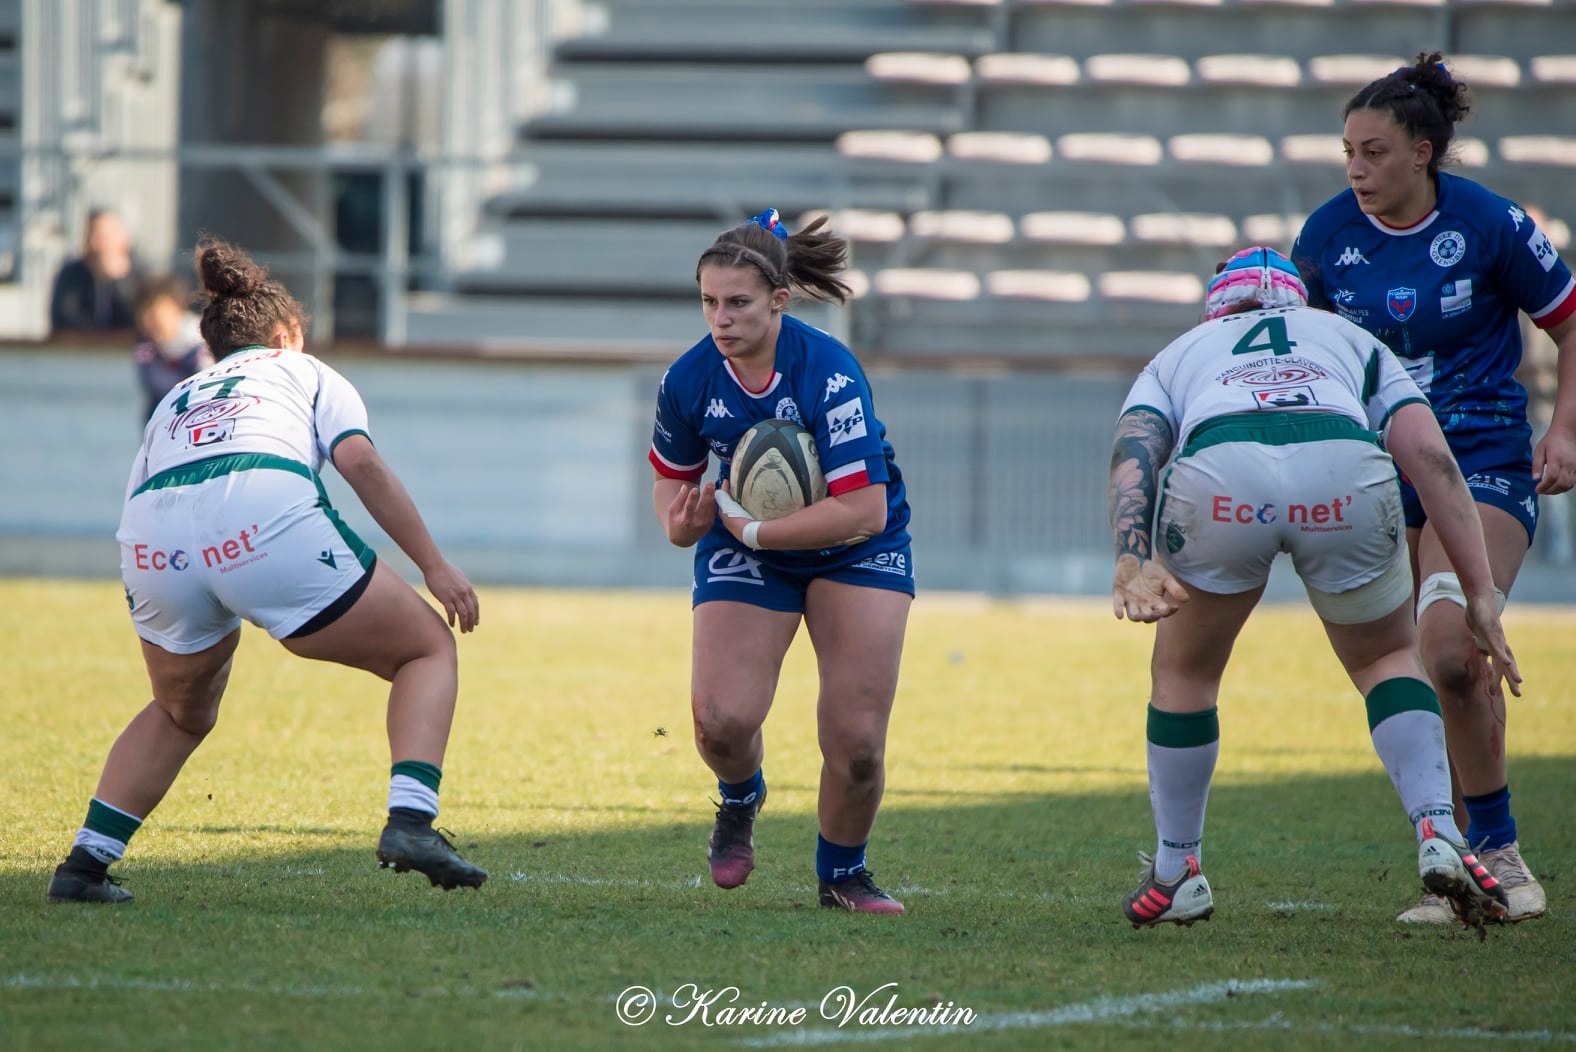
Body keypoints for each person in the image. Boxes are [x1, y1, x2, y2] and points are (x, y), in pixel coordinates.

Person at [47, 238, 485, 904]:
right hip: (258, 517)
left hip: (153, 540)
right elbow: (360, 465)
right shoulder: (304, 372)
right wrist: (435, 567)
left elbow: (145, 489)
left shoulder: (179, 395)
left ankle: (84, 865)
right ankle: (411, 821)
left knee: (178, 710)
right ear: (286, 337)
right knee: (426, 650)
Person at [1109, 247, 1521, 930]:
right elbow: (1432, 459)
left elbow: (1137, 446)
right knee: (1386, 658)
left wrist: (1129, 558)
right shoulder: (1347, 336)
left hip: (1222, 468)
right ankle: (1438, 828)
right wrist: (1480, 590)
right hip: (1342, 461)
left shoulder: (1188, 347)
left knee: (1185, 671)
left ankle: (1178, 869)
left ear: (1218, 305)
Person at [1291, 52, 1574, 924]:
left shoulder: (1491, 224)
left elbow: (1570, 321)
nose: (1357, 170)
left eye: (1373, 152)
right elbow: (1305, 353)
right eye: (1347, 152)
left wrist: (1562, 429)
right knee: (1426, 670)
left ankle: (1497, 849)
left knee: (1451, 650)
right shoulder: (1328, 236)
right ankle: (1457, 862)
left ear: (1423, 151)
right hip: (1382, 474)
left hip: (1483, 459)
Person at [648, 208, 914, 914]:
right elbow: (672, 485)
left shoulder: (828, 370)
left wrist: (762, 534)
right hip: (746, 545)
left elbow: (865, 510)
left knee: (857, 744)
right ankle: (740, 796)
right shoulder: (689, 379)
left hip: (856, 549)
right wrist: (681, 525)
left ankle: (843, 876)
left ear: (779, 301)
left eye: (737, 303)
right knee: (721, 721)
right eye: (708, 302)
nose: (720, 319)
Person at [49, 208, 146, 332]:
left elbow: (138, 321)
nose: (94, 244)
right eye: (90, 235)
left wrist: (118, 280)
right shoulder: (71, 274)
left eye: (102, 237)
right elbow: (63, 319)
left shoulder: (141, 275)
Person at [132, 275, 214, 421]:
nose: (147, 320)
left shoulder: (203, 339)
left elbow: (207, 387)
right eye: (142, 313)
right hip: (166, 417)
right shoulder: (146, 346)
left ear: (177, 308)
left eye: (153, 312)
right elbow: (154, 384)